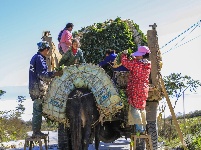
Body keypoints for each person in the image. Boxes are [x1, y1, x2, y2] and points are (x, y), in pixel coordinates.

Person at [29, 41, 63, 136]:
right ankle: (36, 132)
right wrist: (54, 74)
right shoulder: (39, 59)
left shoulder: (34, 57)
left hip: (33, 87)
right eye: (48, 49)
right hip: (38, 88)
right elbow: (42, 75)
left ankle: (36, 131)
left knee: (37, 110)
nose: (48, 51)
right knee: (38, 110)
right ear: (45, 49)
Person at [121, 46, 151, 133]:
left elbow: (125, 62)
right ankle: (144, 127)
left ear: (142, 56)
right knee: (141, 107)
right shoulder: (148, 64)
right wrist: (134, 58)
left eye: (138, 55)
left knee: (134, 108)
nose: (137, 56)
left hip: (135, 88)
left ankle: (139, 129)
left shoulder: (136, 64)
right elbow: (138, 63)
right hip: (144, 89)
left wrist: (124, 55)